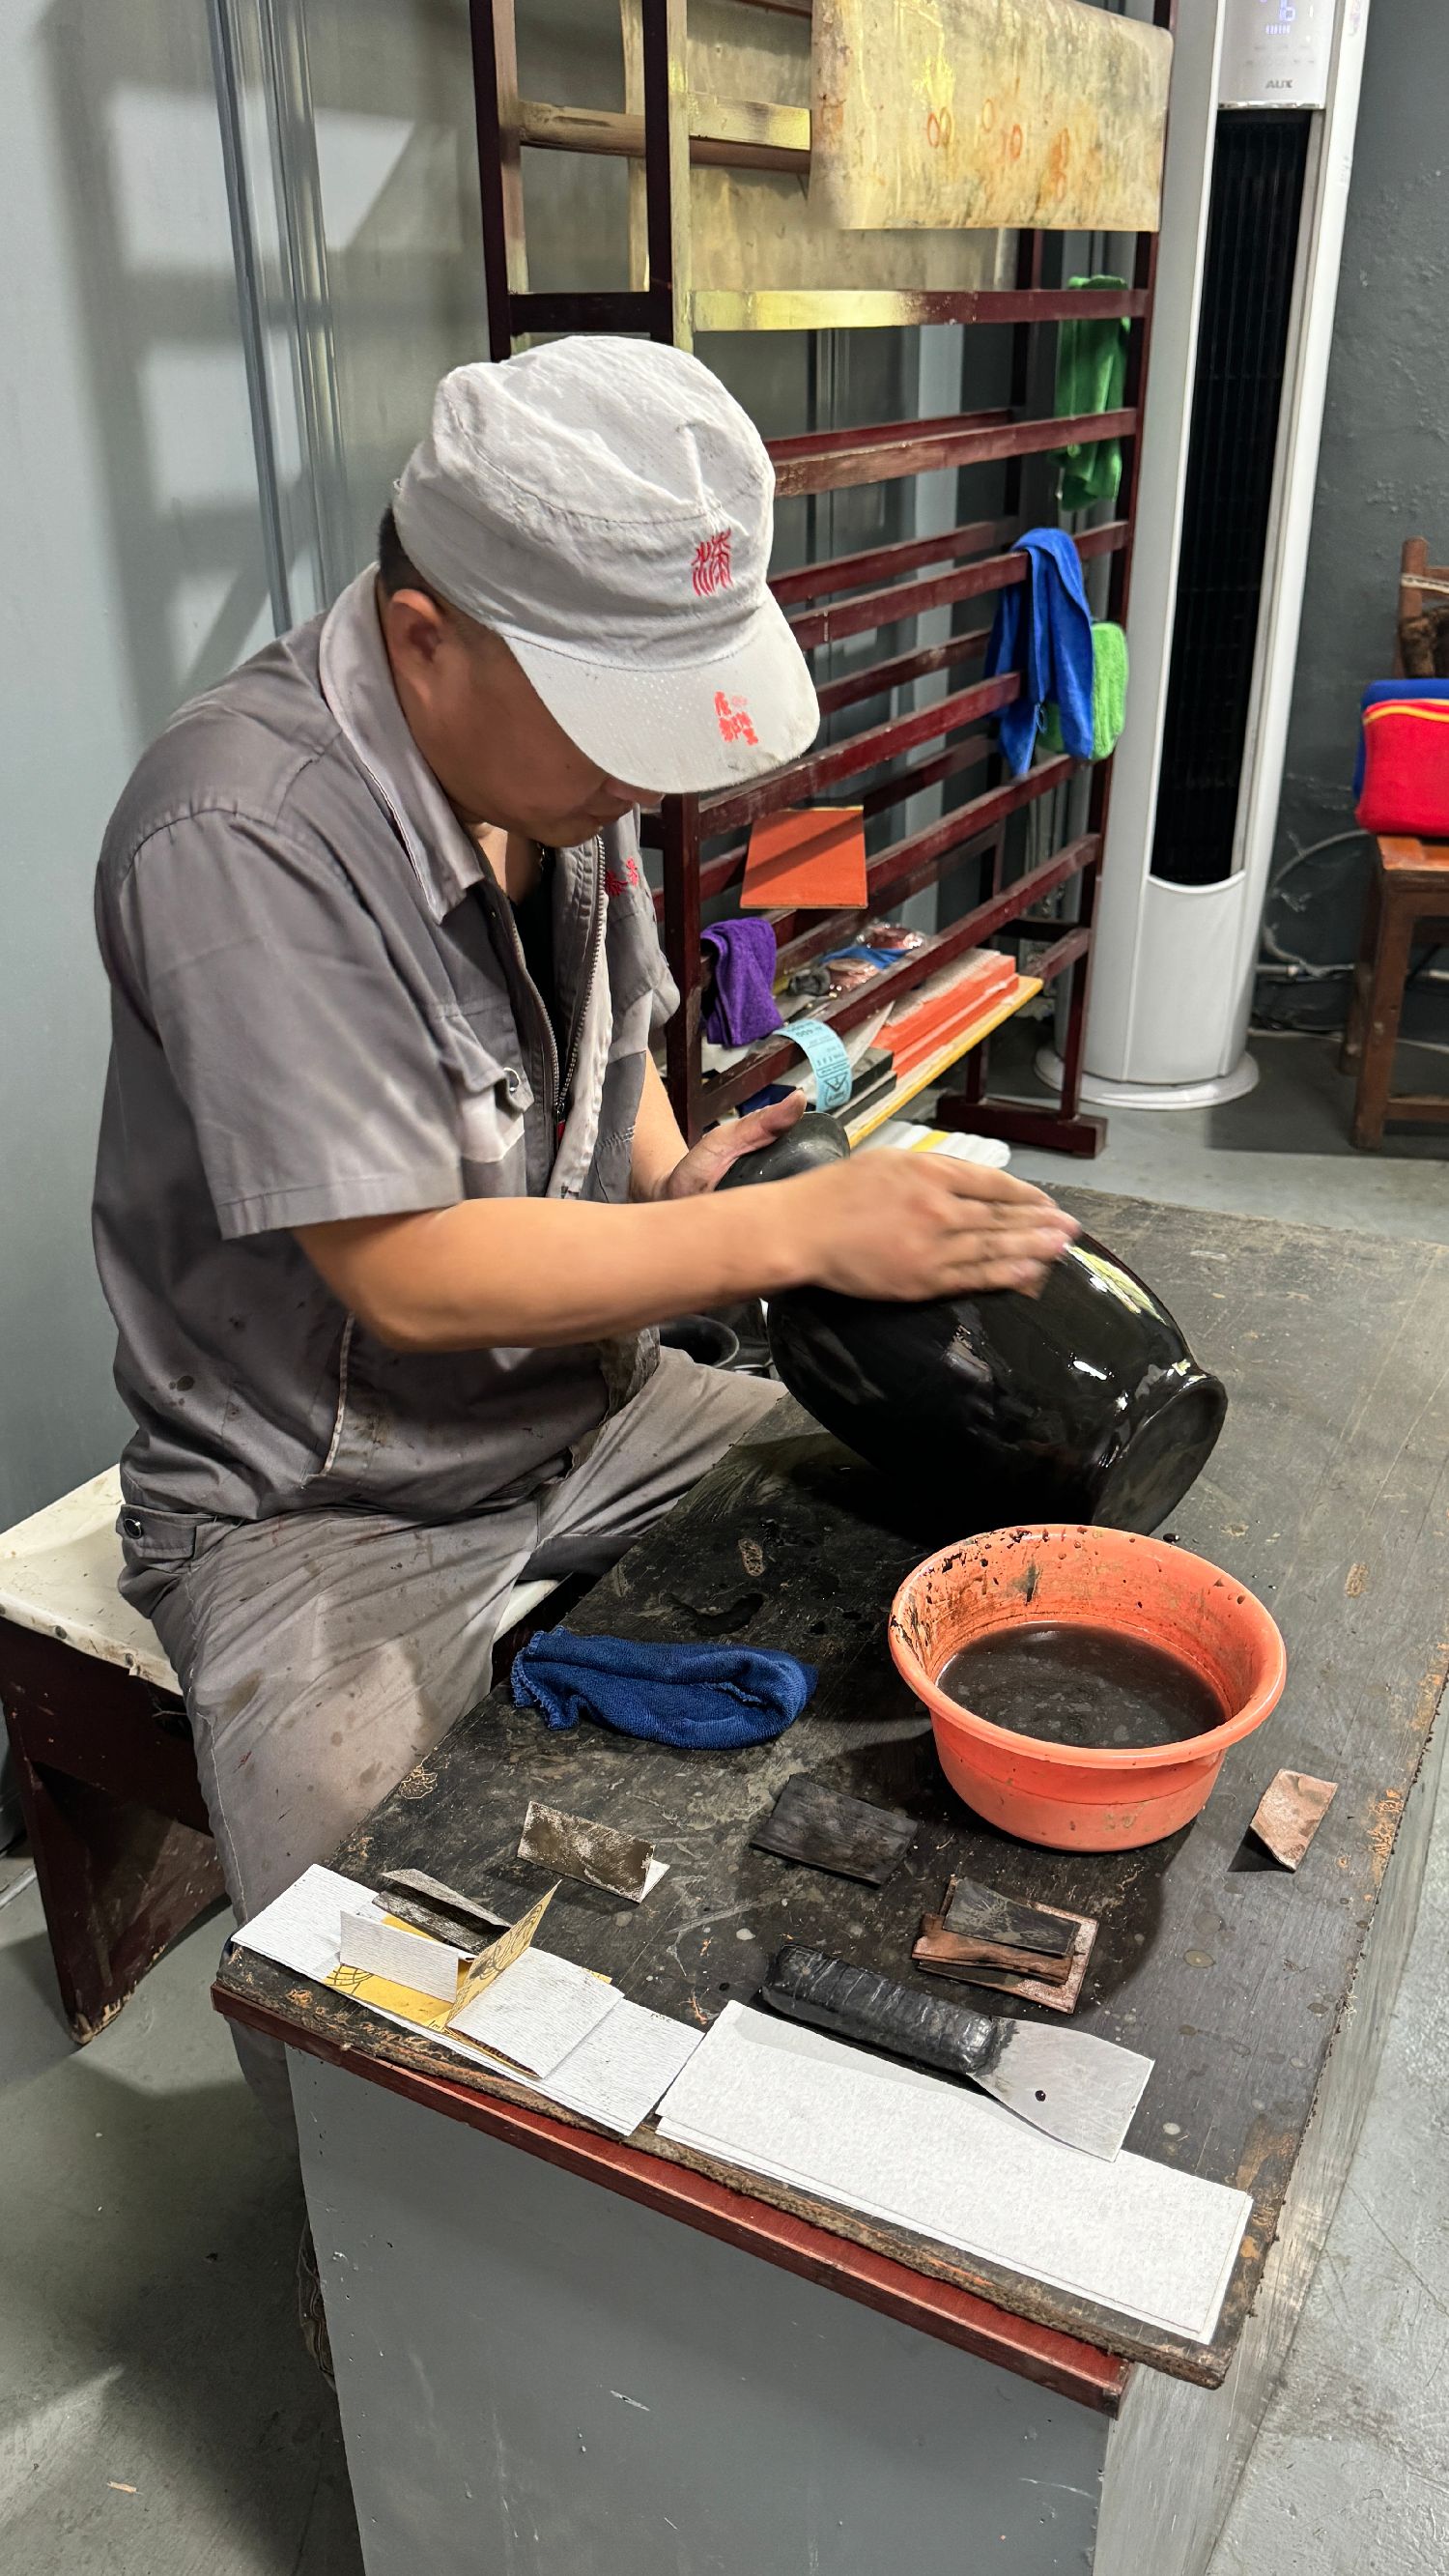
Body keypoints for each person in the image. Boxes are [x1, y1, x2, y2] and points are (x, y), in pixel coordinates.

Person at [92, 336, 1076, 2126]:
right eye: (611, 732)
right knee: (382, 2015)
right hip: (318, 1500)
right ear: (424, 640)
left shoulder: (542, 777)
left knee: (951, 1532)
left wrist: (687, 1184)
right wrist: (799, 1235)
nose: (642, 784)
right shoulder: (239, 832)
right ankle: (400, 2221)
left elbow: (612, 1066)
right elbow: (411, 1271)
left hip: (584, 1402)